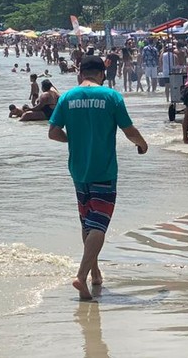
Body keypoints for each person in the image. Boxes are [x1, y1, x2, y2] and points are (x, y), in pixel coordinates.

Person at [48, 55, 148, 301]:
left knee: (87, 223)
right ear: (102, 73)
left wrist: (74, 140)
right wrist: (142, 144)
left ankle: (95, 274)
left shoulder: (67, 98)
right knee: (100, 225)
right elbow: (129, 130)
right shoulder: (111, 97)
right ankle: (81, 276)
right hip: (104, 171)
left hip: (78, 170)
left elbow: (53, 133)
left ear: (80, 73)